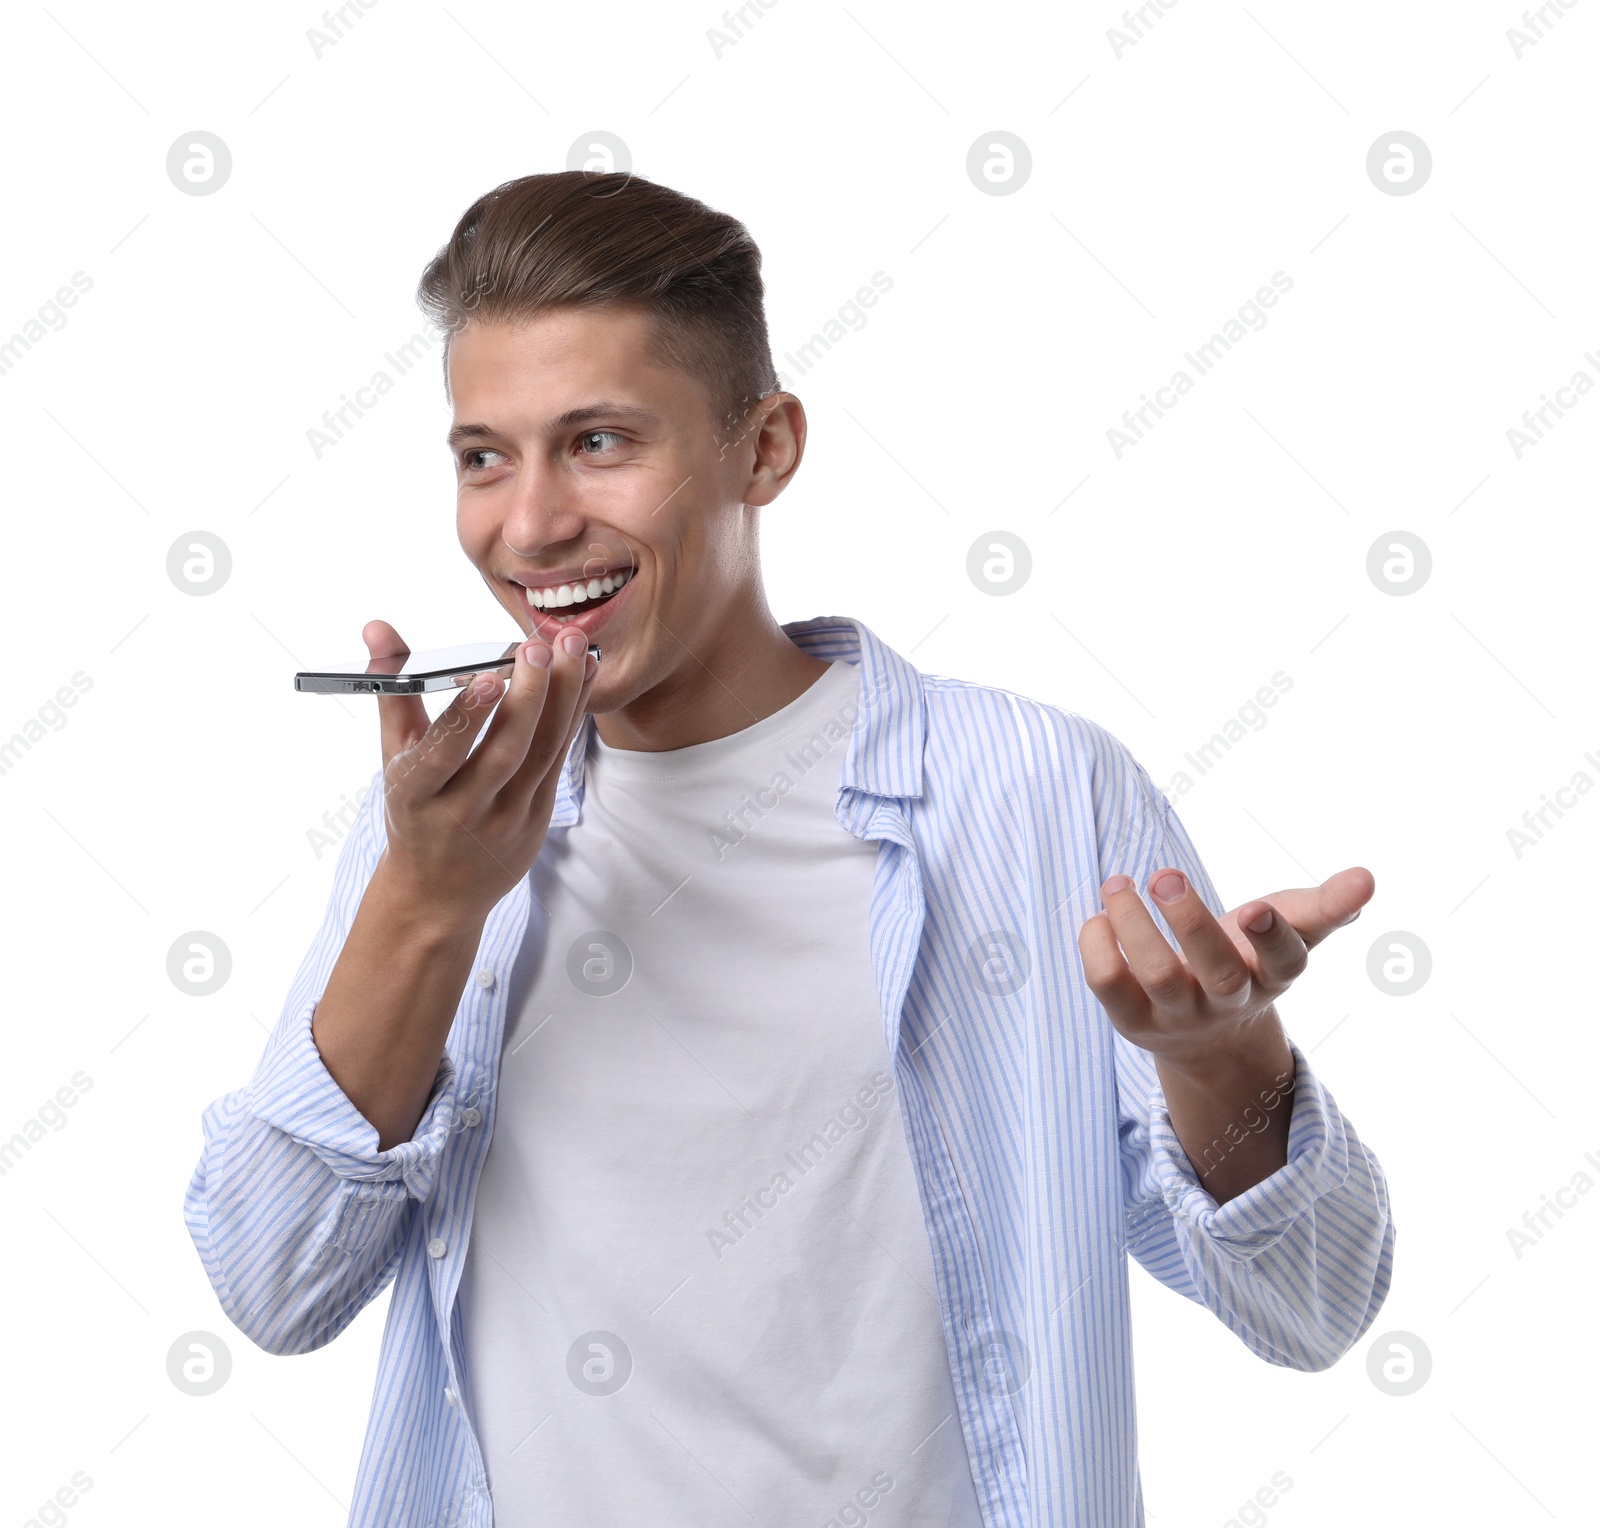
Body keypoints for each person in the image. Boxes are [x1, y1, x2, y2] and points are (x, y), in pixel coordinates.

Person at [184, 170, 1393, 1528]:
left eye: (598, 442)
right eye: (483, 456)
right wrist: (423, 909)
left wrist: (1218, 1055)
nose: (526, 528)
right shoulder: (436, 829)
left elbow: (1314, 1308)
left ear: (765, 449)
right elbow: (273, 1287)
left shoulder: (1035, 792)